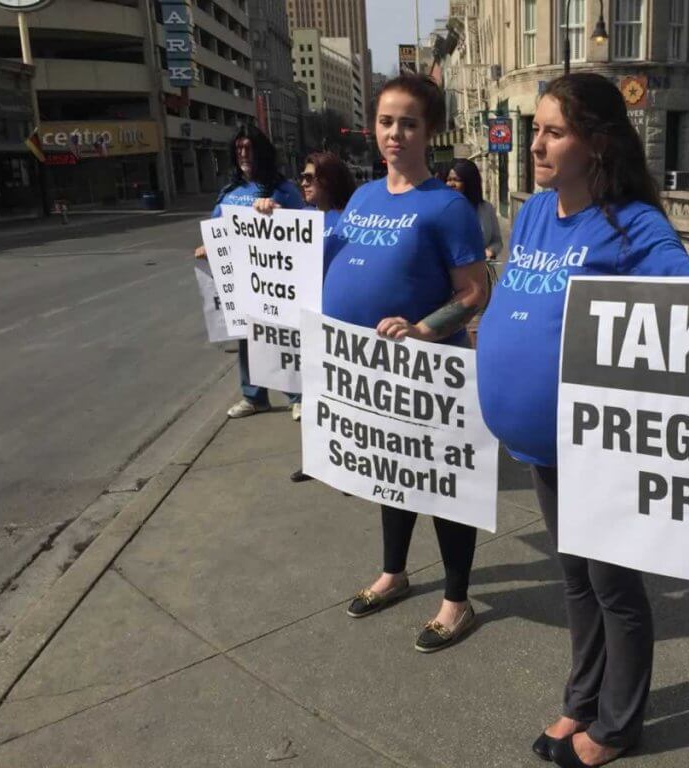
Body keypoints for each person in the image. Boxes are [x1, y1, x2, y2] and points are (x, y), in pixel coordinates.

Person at [475, 73, 689, 767]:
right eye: (536, 131)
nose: (537, 146)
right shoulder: (532, 214)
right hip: (540, 445)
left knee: (614, 586)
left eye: (555, 132)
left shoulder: (631, 224)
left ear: (598, 143)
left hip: (598, 446)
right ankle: (581, 700)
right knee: (575, 579)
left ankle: (616, 726)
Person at [321, 74, 490, 652]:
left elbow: (474, 293)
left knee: (443, 484)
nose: (395, 133)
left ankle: (457, 600)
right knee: (390, 474)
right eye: (387, 121)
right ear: (374, 126)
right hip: (370, 373)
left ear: (430, 131)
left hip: (430, 373)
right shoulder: (363, 198)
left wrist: (422, 330)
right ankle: (394, 573)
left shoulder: (447, 207)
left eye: (409, 123)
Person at [195, 124, 305, 419]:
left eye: (249, 147)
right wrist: (207, 247)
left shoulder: (283, 190)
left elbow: (305, 227)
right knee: (247, 338)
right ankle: (254, 397)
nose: (243, 153)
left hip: (276, 279)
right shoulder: (229, 191)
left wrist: (279, 213)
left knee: (282, 338)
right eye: (239, 148)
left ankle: (299, 395)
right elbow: (217, 229)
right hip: (242, 280)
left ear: (261, 152)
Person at [272, 151, 357, 483]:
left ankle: (353, 464)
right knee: (313, 397)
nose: (302, 183)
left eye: (308, 178)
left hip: (339, 323)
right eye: (302, 177)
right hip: (307, 323)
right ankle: (316, 459)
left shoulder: (351, 218)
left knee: (346, 400)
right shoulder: (303, 218)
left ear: (328, 179)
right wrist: (270, 215)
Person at [447, 159, 503, 260]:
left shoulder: (487, 208)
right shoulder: (442, 211)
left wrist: (491, 251)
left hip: (481, 270)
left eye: (456, 180)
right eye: (449, 179)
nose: (451, 184)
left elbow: (497, 241)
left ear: (470, 182)